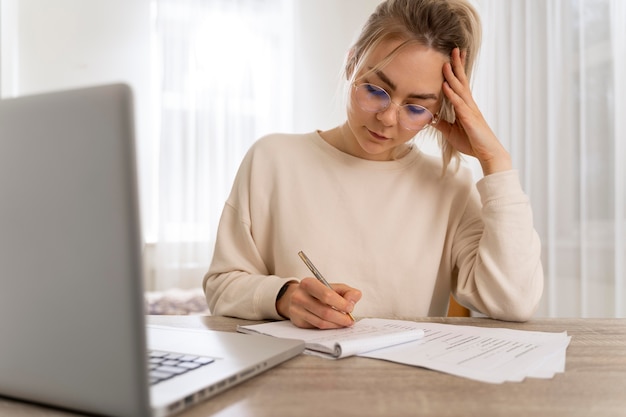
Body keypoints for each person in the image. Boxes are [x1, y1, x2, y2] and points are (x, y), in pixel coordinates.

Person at [203, 0, 543, 329]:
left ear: (441, 110)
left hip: (403, 383)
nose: (387, 118)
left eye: (416, 107)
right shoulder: (272, 159)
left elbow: (514, 300)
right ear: (351, 64)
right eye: (376, 90)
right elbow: (222, 286)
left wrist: (496, 161)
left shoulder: (449, 184)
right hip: (293, 379)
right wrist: (283, 297)